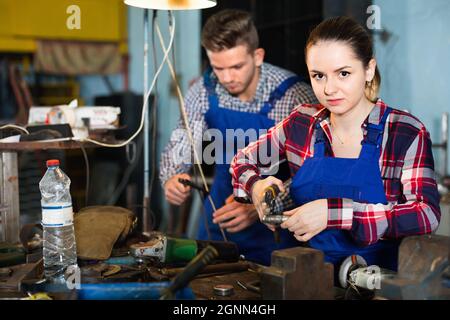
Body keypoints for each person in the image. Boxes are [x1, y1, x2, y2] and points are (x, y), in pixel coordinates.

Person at [230, 16, 441, 276]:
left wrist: (336, 213)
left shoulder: (405, 131)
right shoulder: (302, 122)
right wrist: (257, 187)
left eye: (343, 73)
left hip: (382, 284)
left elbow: (426, 214)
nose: (329, 89)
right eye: (318, 76)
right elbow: (242, 161)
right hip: (306, 279)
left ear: (368, 70)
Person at [160, 9, 317, 265]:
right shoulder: (204, 89)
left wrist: (261, 205)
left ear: (257, 56)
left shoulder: (294, 96)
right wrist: (172, 177)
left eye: (236, 66)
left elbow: (313, 173)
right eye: (218, 68)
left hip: (280, 229)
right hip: (220, 217)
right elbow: (181, 142)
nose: (227, 78)